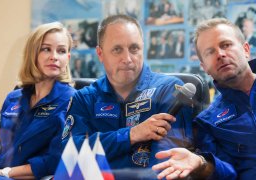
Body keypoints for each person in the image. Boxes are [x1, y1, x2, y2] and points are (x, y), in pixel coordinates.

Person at [152, 18, 256, 179]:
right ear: (204, 67)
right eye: (210, 52)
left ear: (246, 50)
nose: (220, 54)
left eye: (226, 45)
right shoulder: (208, 122)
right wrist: (201, 163)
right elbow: (228, 174)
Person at [62, 14, 193, 178]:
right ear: (100, 54)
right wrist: (131, 135)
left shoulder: (169, 91)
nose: (127, 59)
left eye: (134, 48)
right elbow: (71, 153)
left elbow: (169, 162)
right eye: (117, 50)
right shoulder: (84, 98)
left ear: (143, 48)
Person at [0, 22, 75, 179]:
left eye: (61, 51)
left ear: (68, 58)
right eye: (46, 49)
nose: (54, 57)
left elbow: (56, 160)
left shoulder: (73, 101)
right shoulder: (12, 98)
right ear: (32, 54)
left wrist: (5, 173)